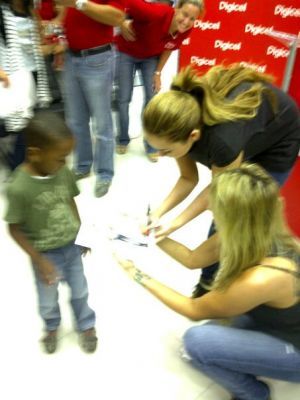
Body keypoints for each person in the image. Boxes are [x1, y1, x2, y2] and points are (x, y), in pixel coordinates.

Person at [117, 163, 300, 400]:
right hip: (278, 321)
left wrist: (136, 274)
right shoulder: (261, 228)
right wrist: (154, 235)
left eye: (214, 209)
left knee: (197, 343)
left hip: (294, 347)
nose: (210, 210)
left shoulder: (263, 278)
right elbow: (193, 259)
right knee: (213, 333)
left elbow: (193, 309)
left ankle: (254, 395)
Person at [142, 64, 300, 296]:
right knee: (225, 212)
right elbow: (188, 179)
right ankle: (211, 279)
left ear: (193, 136)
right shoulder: (179, 126)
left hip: (278, 142)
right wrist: (158, 214)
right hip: (246, 135)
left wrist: (173, 225)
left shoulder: (222, 140)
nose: (160, 156)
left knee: (231, 214)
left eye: (166, 151)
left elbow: (219, 193)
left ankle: (212, 282)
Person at [4, 111, 97, 354]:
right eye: (60, 158)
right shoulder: (19, 187)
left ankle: (86, 324)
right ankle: (51, 326)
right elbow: (13, 228)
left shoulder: (61, 172)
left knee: (80, 290)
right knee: (47, 298)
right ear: (34, 153)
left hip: (70, 247)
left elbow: (70, 200)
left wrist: (81, 234)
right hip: (44, 254)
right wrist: (38, 260)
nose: (65, 164)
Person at [115, 0, 204, 161]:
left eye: (192, 19)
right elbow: (126, 2)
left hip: (150, 57)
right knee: (123, 98)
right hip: (126, 52)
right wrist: (120, 22)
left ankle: (150, 143)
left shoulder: (186, 30)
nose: (186, 22)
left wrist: (157, 73)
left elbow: (169, 47)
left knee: (152, 98)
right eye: (184, 14)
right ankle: (122, 138)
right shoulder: (156, 12)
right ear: (176, 8)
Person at [59, 0, 125, 197]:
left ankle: (105, 173)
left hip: (98, 58)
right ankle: (82, 165)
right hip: (71, 56)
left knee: (102, 121)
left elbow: (117, 17)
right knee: (75, 120)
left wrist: (79, 3)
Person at [0, 0, 51, 170]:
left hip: (34, 71)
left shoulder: (30, 9)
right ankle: (18, 166)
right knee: (21, 122)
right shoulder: (2, 11)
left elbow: (39, 37)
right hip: (12, 74)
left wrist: (44, 39)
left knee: (31, 121)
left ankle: (21, 163)